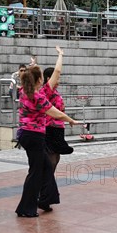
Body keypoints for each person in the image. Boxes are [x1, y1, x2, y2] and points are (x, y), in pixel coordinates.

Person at [15, 65, 80, 218]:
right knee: (35, 172)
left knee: (46, 167)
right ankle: (26, 208)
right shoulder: (37, 96)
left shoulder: (24, 92)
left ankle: (46, 199)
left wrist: (33, 65)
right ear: (38, 80)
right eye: (42, 79)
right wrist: (70, 119)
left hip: (27, 134)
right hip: (34, 136)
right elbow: (53, 111)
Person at [39, 46, 74, 212]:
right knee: (50, 163)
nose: (58, 79)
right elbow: (57, 72)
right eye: (54, 78)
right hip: (50, 129)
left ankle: (45, 194)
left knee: (54, 162)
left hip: (58, 130)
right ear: (48, 78)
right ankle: (43, 195)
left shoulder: (54, 91)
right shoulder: (47, 90)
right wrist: (60, 55)